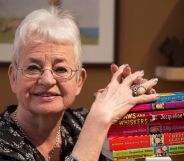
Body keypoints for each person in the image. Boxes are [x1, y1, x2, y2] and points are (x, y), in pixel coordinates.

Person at [0, 6, 159, 161]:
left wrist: (135, 116)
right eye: (33, 68)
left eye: (61, 69)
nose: (47, 80)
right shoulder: (95, 122)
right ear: (13, 77)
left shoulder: (82, 121)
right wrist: (98, 121)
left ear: (79, 80)